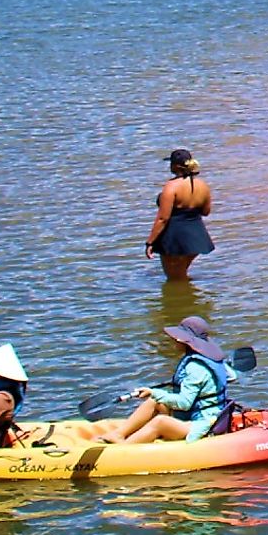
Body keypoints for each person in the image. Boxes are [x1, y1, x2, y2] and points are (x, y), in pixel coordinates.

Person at [100, 316, 237, 445]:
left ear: (183, 341)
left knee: (160, 421)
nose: (174, 340)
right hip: (206, 416)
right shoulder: (215, 360)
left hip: (203, 424)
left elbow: (184, 403)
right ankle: (118, 434)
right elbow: (231, 377)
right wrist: (155, 395)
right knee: (154, 402)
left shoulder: (195, 367)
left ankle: (121, 451)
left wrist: (153, 392)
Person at [146, 148, 213, 283]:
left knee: (174, 278)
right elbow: (205, 212)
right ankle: (192, 299)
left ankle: (184, 301)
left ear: (175, 166)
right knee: (181, 275)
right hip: (196, 236)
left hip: (174, 237)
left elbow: (162, 218)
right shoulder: (203, 185)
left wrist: (150, 242)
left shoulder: (171, 187)